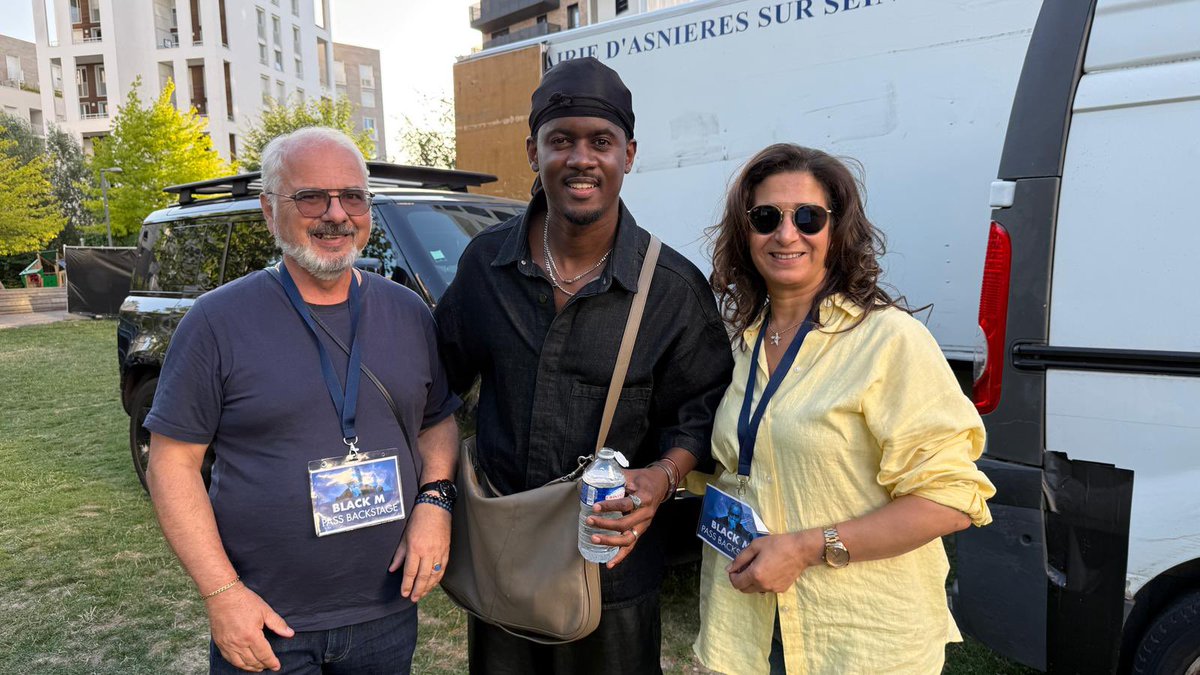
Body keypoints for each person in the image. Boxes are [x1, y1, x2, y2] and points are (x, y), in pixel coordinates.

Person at [435, 57, 734, 675]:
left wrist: (663, 477)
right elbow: (437, 385)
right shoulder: (486, 266)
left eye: (600, 142)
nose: (581, 159)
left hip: (613, 569)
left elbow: (701, 412)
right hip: (503, 556)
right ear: (533, 152)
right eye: (560, 140)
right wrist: (436, 495)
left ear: (629, 154)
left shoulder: (672, 288)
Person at [145, 127, 461, 674]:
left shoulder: (409, 313)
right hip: (266, 620)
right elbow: (172, 464)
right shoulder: (217, 322)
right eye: (311, 197)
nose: (336, 214)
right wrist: (222, 594)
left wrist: (436, 503)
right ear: (270, 211)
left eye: (352, 197)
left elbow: (436, 423)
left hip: (386, 613)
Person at [693, 143, 996, 674]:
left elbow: (949, 499)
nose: (787, 234)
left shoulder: (889, 340)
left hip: (857, 640)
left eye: (808, 217)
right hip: (749, 623)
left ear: (837, 229)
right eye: (766, 217)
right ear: (746, 232)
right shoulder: (742, 343)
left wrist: (805, 548)